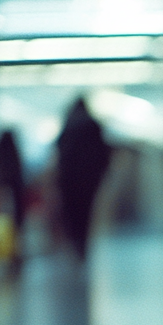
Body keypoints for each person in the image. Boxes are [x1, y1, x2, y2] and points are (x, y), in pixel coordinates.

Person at [56, 97, 112, 260]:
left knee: (72, 213)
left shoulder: (68, 124)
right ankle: (84, 245)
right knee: (86, 212)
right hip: (89, 178)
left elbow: (60, 151)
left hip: (69, 178)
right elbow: (103, 153)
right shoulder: (93, 124)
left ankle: (76, 244)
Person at [0, 130, 26, 265]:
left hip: (2, 192)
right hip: (15, 193)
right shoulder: (15, 155)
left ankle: (4, 252)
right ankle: (14, 251)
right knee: (15, 224)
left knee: (4, 222)